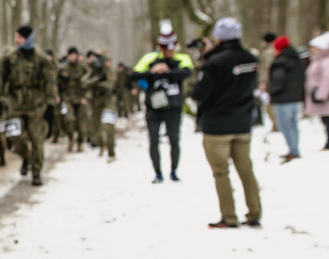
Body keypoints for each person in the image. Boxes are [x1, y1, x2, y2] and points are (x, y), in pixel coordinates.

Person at [192, 18, 262, 229]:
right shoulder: (250, 59)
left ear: (218, 37)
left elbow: (200, 93)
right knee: (245, 169)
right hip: (242, 122)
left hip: (217, 126)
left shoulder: (215, 63)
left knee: (221, 172)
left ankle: (229, 216)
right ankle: (254, 212)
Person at [132, 21, 194, 183]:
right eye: (165, 48)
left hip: (173, 106)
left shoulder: (182, 58)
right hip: (153, 106)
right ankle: (158, 173)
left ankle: (174, 170)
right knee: (153, 140)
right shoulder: (149, 58)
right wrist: (152, 72)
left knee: (174, 139)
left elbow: (187, 73)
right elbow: (134, 75)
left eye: (171, 48)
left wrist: (169, 71)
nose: (168, 52)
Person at [0, 25, 58, 186]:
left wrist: (51, 106)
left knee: (37, 141)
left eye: (20, 37)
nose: (16, 40)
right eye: (15, 37)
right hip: (15, 104)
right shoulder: (9, 58)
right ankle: (25, 156)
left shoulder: (41, 58)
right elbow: (1, 80)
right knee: (15, 137)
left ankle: (36, 172)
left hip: (36, 106)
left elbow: (50, 82)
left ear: (28, 38)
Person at [267, 35, 305, 162]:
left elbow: (277, 80)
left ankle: (293, 151)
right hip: (296, 97)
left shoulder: (281, 61)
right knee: (293, 125)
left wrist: (271, 91)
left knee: (285, 126)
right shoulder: (296, 59)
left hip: (283, 99)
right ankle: (294, 149)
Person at [83, 52, 118, 162]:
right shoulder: (92, 72)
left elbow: (109, 86)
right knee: (95, 130)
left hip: (108, 102)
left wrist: (96, 83)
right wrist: (97, 80)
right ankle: (101, 145)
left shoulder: (108, 71)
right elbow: (84, 82)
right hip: (95, 103)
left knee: (108, 127)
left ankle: (111, 152)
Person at [56, 47, 89, 152]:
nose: (72, 57)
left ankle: (80, 143)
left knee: (81, 123)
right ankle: (71, 138)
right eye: (70, 55)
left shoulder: (83, 69)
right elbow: (57, 85)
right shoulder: (63, 69)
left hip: (80, 98)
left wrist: (86, 97)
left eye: (74, 55)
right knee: (68, 119)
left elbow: (89, 84)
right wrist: (58, 96)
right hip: (67, 98)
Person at [306, 33, 329, 149]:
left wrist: (321, 94)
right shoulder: (318, 60)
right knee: (325, 121)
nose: (312, 50)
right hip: (318, 96)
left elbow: (327, 79)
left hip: (324, 98)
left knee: (327, 121)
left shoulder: (326, 61)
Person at [257, 31, 279, 131]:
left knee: (270, 105)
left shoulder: (269, 52)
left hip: (270, 83)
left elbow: (266, 68)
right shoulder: (276, 50)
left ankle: (277, 126)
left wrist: (263, 82)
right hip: (274, 82)